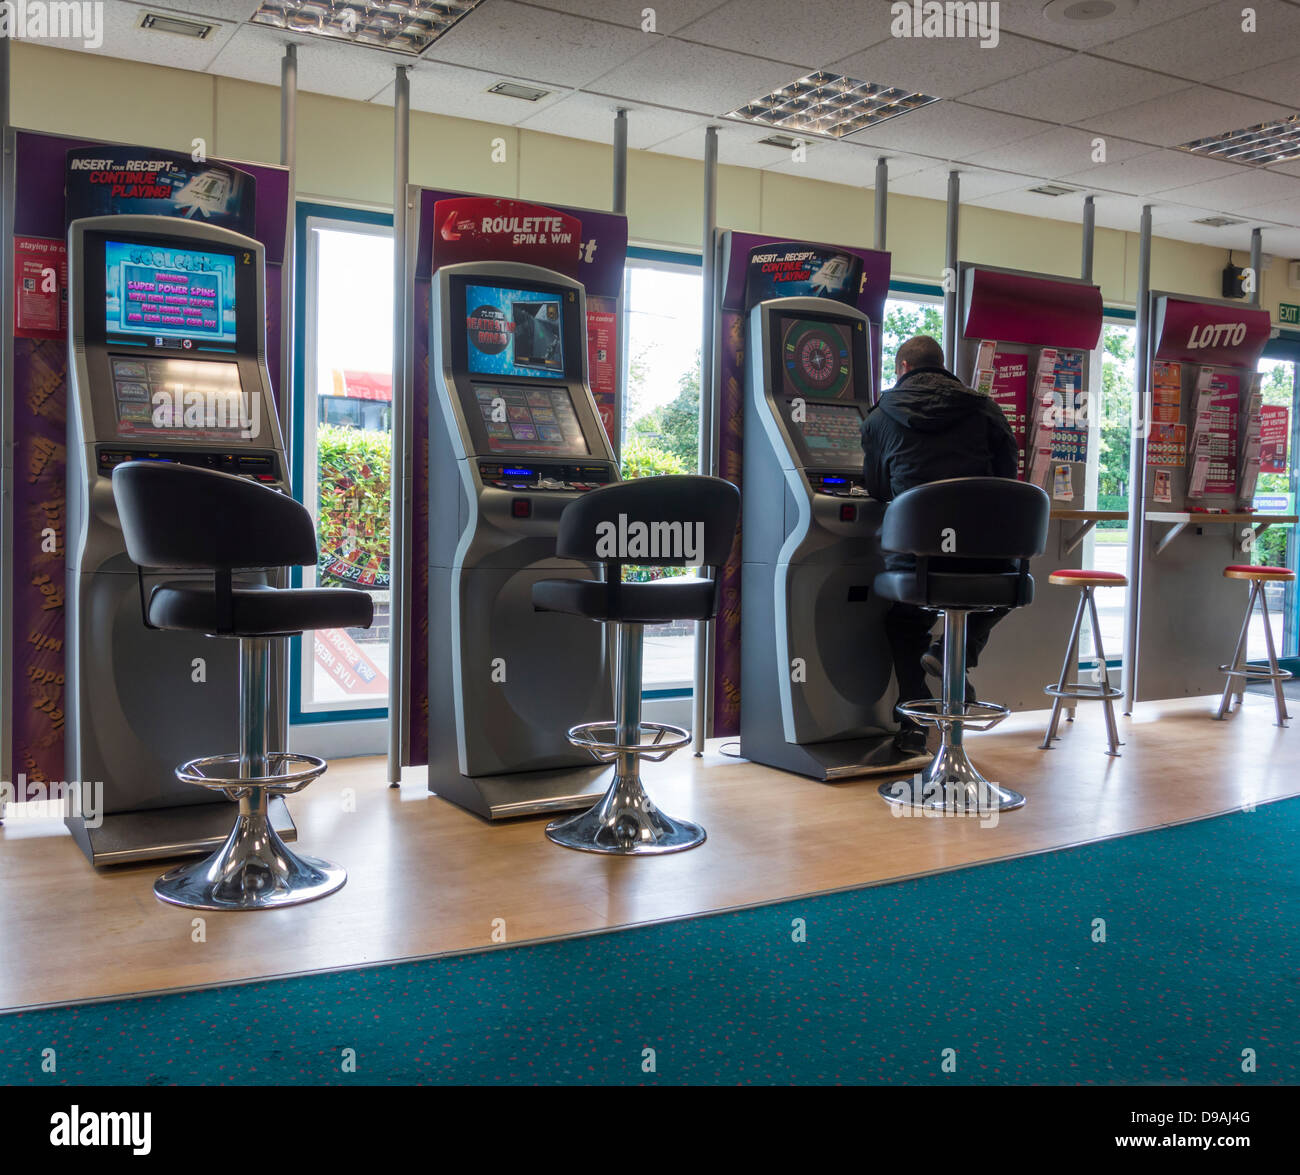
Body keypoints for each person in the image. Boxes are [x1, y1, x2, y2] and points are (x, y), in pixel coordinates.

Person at [861, 335, 1019, 757]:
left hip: (917, 561)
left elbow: (877, 488)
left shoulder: (879, 417)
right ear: (943, 366)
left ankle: (912, 727)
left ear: (903, 369)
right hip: (987, 562)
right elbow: (1009, 481)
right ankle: (954, 652)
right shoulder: (985, 408)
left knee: (904, 618)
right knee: (1011, 581)